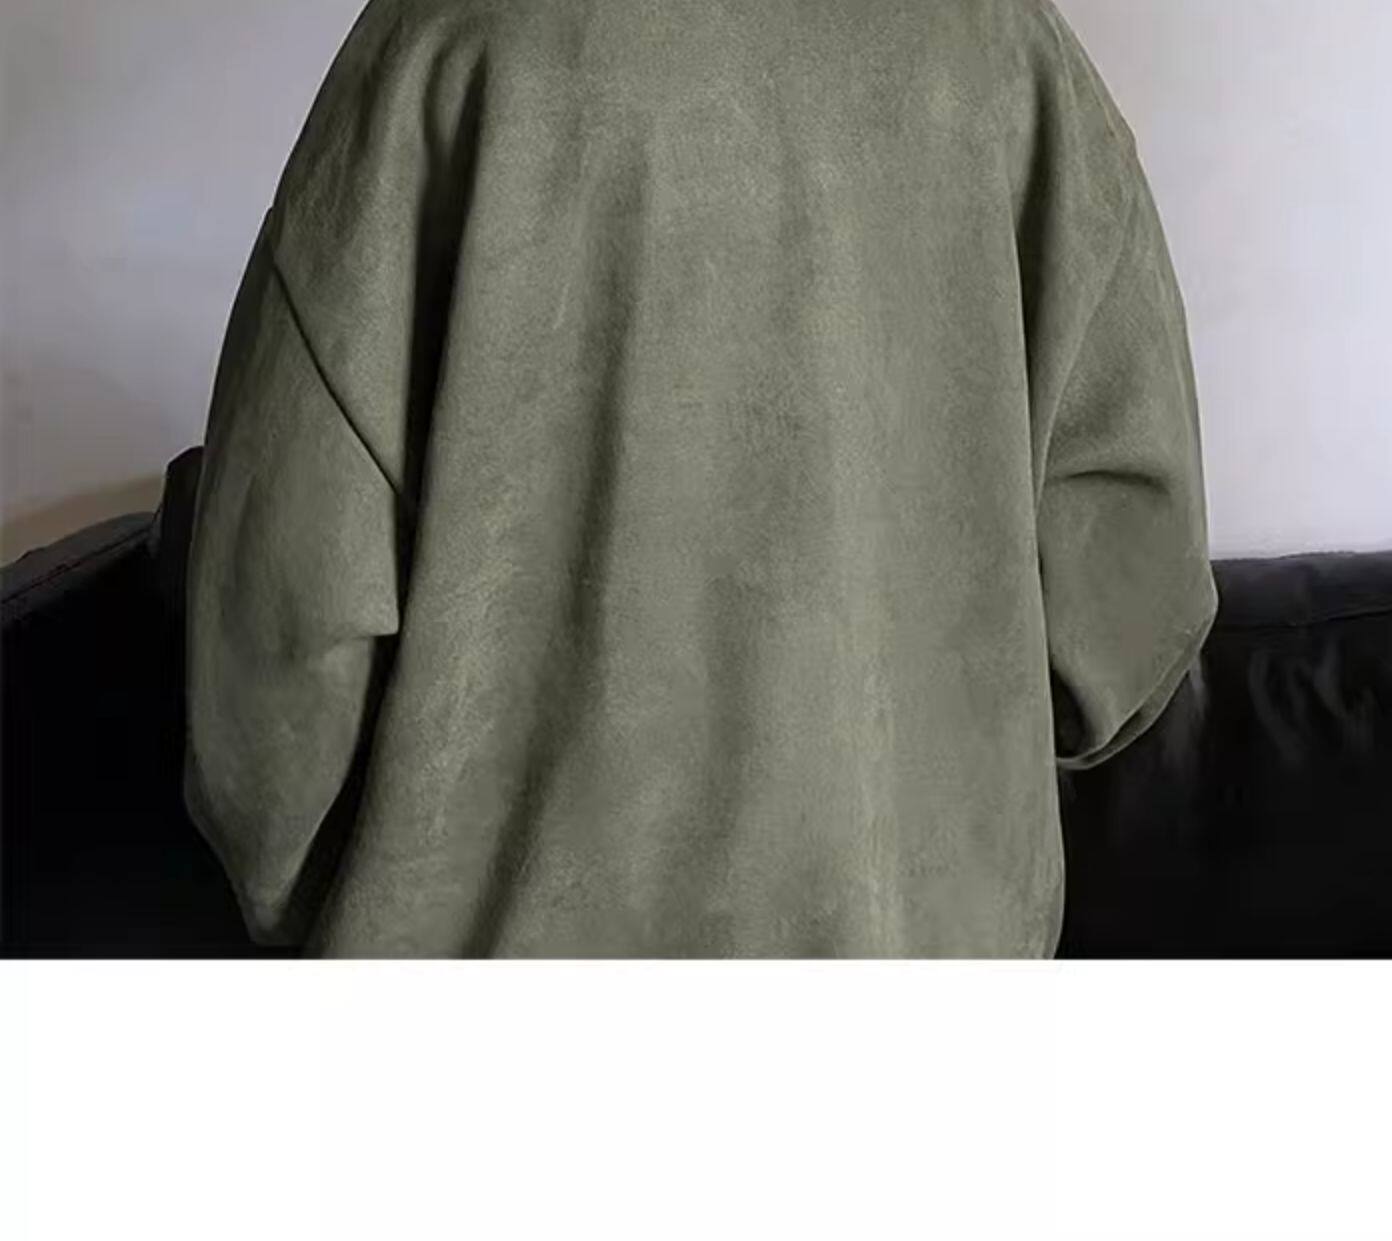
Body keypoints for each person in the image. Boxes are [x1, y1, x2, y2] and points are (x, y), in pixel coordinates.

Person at [181, 0, 1217, 957]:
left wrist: (313, 894)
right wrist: (941, 804)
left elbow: (278, 628)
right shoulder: (1000, 45)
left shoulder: (440, 39)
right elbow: (1131, 590)